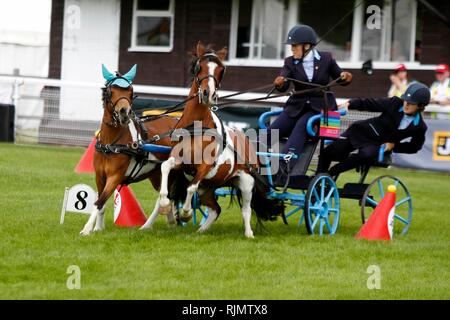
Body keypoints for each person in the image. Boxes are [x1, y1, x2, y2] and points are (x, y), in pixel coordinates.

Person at [268, 24, 352, 184]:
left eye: (294, 46)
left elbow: (340, 77)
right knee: (272, 131)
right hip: (295, 107)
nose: (292, 49)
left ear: (307, 46)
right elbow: (284, 83)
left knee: (302, 126)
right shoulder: (289, 62)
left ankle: (281, 170)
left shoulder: (326, 59)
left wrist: (346, 76)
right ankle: (251, 161)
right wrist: (279, 83)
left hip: (320, 109)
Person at [319, 82, 430, 179]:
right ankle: (317, 178)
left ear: (421, 105)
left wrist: (393, 146)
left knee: (366, 155)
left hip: (377, 145)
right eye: (406, 100)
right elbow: (369, 103)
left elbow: (414, 147)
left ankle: (329, 175)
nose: (407, 104)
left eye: (411, 102)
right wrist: (350, 104)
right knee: (329, 152)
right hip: (361, 132)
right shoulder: (394, 103)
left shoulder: (420, 127)